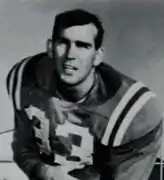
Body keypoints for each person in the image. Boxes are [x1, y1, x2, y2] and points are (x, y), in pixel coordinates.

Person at [6, 9, 163, 180]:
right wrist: (43, 171)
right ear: (50, 48)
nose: (70, 55)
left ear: (97, 56)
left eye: (82, 45)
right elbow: (23, 147)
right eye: (63, 43)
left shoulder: (133, 113)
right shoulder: (25, 78)